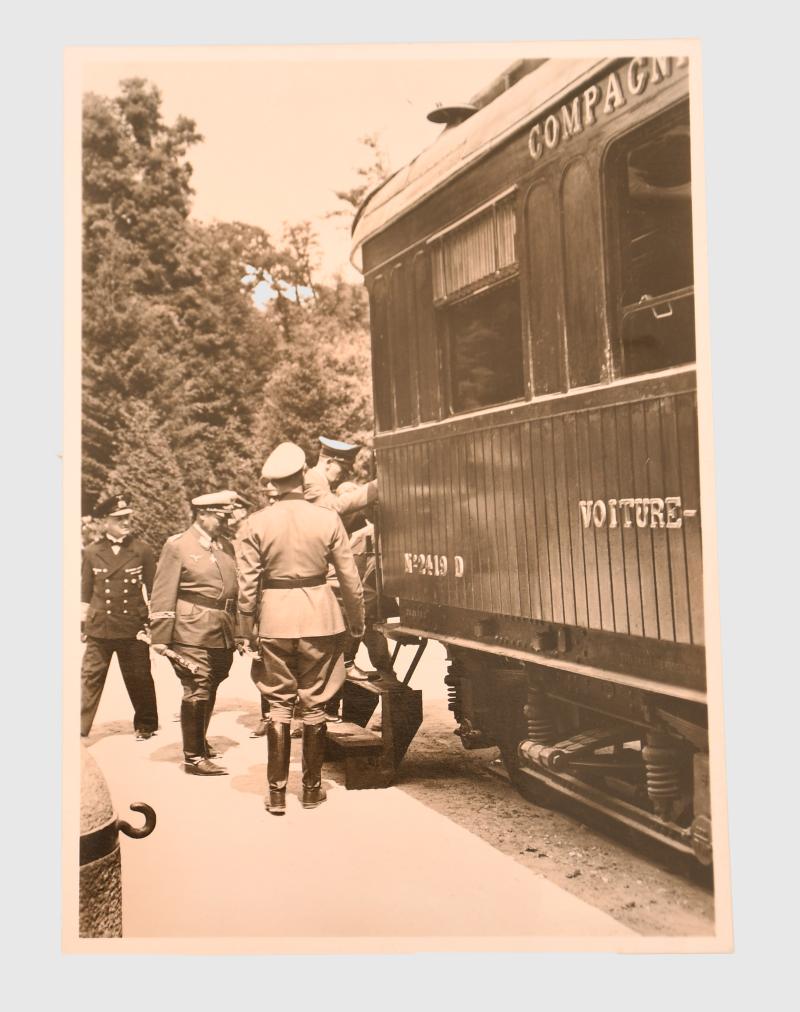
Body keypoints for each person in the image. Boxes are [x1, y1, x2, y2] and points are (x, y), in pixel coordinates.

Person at [236, 442, 365, 815]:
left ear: (273, 483)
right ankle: (311, 789)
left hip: (274, 620)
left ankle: (276, 794)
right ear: (304, 475)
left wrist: (246, 629)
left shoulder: (255, 523)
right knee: (315, 702)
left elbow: (247, 585)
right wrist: (356, 622)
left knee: (278, 703)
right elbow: (350, 580)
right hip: (321, 618)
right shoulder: (327, 519)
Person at [148, 491, 240, 776]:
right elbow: (163, 591)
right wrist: (161, 638)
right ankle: (193, 757)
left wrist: (241, 631)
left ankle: (199, 739)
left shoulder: (225, 545)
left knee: (213, 681)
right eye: (220, 516)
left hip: (220, 627)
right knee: (197, 684)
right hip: (190, 629)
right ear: (203, 514)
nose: (225, 522)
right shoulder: (178, 545)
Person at [80, 493, 159, 740]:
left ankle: (146, 724)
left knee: (139, 676)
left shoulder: (142, 550)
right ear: (105, 521)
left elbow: (154, 590)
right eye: (118, 518)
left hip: (132, 625)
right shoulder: (92, 552)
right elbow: (85, 591)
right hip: (99, 626)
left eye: (127, 517)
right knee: (90, 678)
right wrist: (83, 625)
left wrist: (154, 625)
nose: (125, 522)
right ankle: (79, 728)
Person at [304, 436, 377, 516]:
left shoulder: (319, 481)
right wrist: (377, 486)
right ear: (329, 462)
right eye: (344, 469)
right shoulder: (310, 483)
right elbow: (337, 506)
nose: (345, 475)